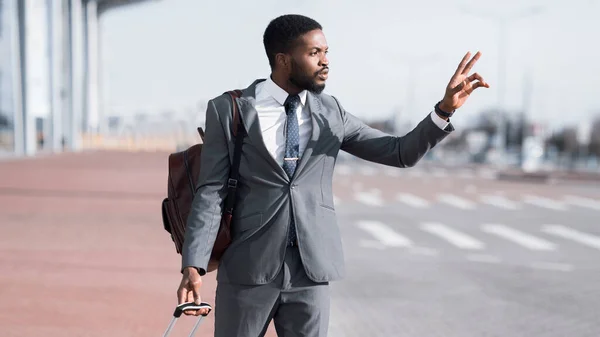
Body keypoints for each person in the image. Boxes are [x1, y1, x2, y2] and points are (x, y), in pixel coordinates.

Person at [177, 13, 489, 337]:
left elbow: (400, 152)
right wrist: (194, 262)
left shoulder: (331, 112)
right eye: (314, 53)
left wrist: (443, 110)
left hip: (311, 273)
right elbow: (211, 190)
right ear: (283, 60)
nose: (325, 62)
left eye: (326, 52)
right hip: (247, 268)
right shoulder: (230, 109)